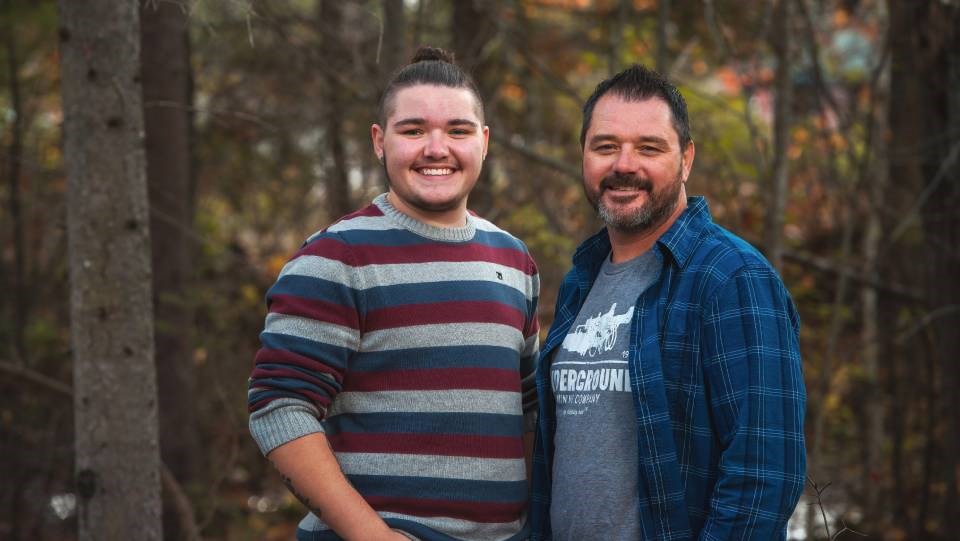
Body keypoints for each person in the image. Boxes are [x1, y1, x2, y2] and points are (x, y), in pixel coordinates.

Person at [247, 47, 540, 541]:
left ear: (484, 142)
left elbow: (527, 415)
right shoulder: (337, 256)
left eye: (457, 130)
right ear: (380, 141)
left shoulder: (513, 261)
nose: (436, 148)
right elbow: (278, 406)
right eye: (413, 130)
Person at [529, 65, 806, 540]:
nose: (623, 164)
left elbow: (763, 476)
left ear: (686, 160)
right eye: (605, 146)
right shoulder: (582, 280)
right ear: (584, 157)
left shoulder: (731, 277)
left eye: (649, 147)